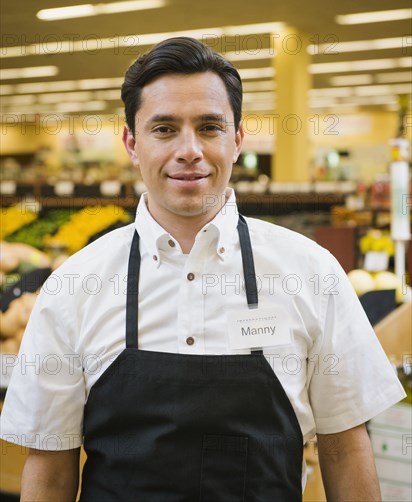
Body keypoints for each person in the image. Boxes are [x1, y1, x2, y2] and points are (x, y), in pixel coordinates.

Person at [0, 37, 405, 501]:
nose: (189, 149)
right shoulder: (74, 286)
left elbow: (345, 449)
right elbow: (50, 466)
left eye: (209, 127)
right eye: (165, 129)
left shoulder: (311, 273)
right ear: (132, 143)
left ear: (236, 140)